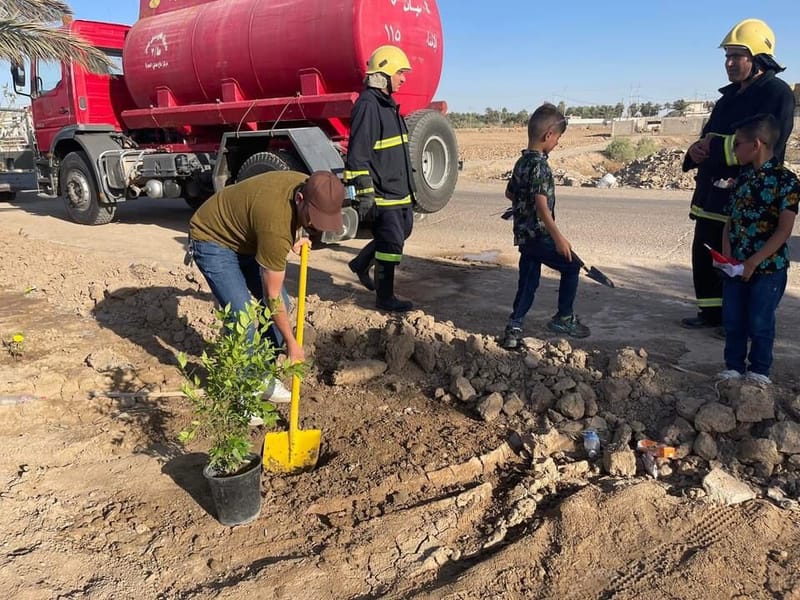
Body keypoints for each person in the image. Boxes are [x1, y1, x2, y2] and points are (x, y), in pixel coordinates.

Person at [188, 170, 344, 401]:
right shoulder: (274, 226)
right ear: (300, 199)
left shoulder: (310, 186)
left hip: (248, 239)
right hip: (213, 239)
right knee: (243, 315)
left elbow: (290, 217)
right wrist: (292, 343)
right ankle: (242, 394)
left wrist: (296, 235)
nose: (317, 227)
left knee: (284, 303)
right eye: (313, 218)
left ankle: (260, 375)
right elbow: (272, 298)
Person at [681, 18, 795, 330]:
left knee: (741, 257)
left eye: (736, 56)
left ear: (758, 59)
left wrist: (714, 147)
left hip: (749, 194)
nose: (729, 63)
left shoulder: (777, 94)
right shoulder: (728, 98)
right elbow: (708, 135)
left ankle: (740, 323)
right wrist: (695, 151)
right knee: (706, 252)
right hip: (711, 193)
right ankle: (711, 314)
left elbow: (766, 143)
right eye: (727, 57)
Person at [717, 114, 799, 385]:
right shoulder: (742, 179)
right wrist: (728, 255)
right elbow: (730, 222)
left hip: (767, 269)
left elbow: (783, 230)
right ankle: (734, 366)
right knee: (733, 320)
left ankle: (760, 371)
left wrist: (753, 262)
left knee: (760, 322)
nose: (734, 149)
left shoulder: (785, 181)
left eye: (738, 143)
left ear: (756, 144)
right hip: (736, 265)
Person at [500, 103, 589, 350]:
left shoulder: (522, 162)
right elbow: (541, 205)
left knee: (528, 281)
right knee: (572, 266)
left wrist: (522, 205)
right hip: (539, 234)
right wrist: (558, 238)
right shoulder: (540, 165)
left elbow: (510, 193)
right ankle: (564, 318)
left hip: (524, 236)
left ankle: (514, 327)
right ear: (548, 135)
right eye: (558, 138)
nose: (557, 143)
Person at [344, 45, 416, 312]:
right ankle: (385, 297)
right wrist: (365, 194)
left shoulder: (387, 105)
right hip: (384, 193)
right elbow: (358, 155)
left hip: (400, 190)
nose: (403, 78)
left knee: (403, 231)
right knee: (390, 245)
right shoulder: (368, 106)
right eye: (400, 72)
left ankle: (361, 263)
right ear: (384, 74)